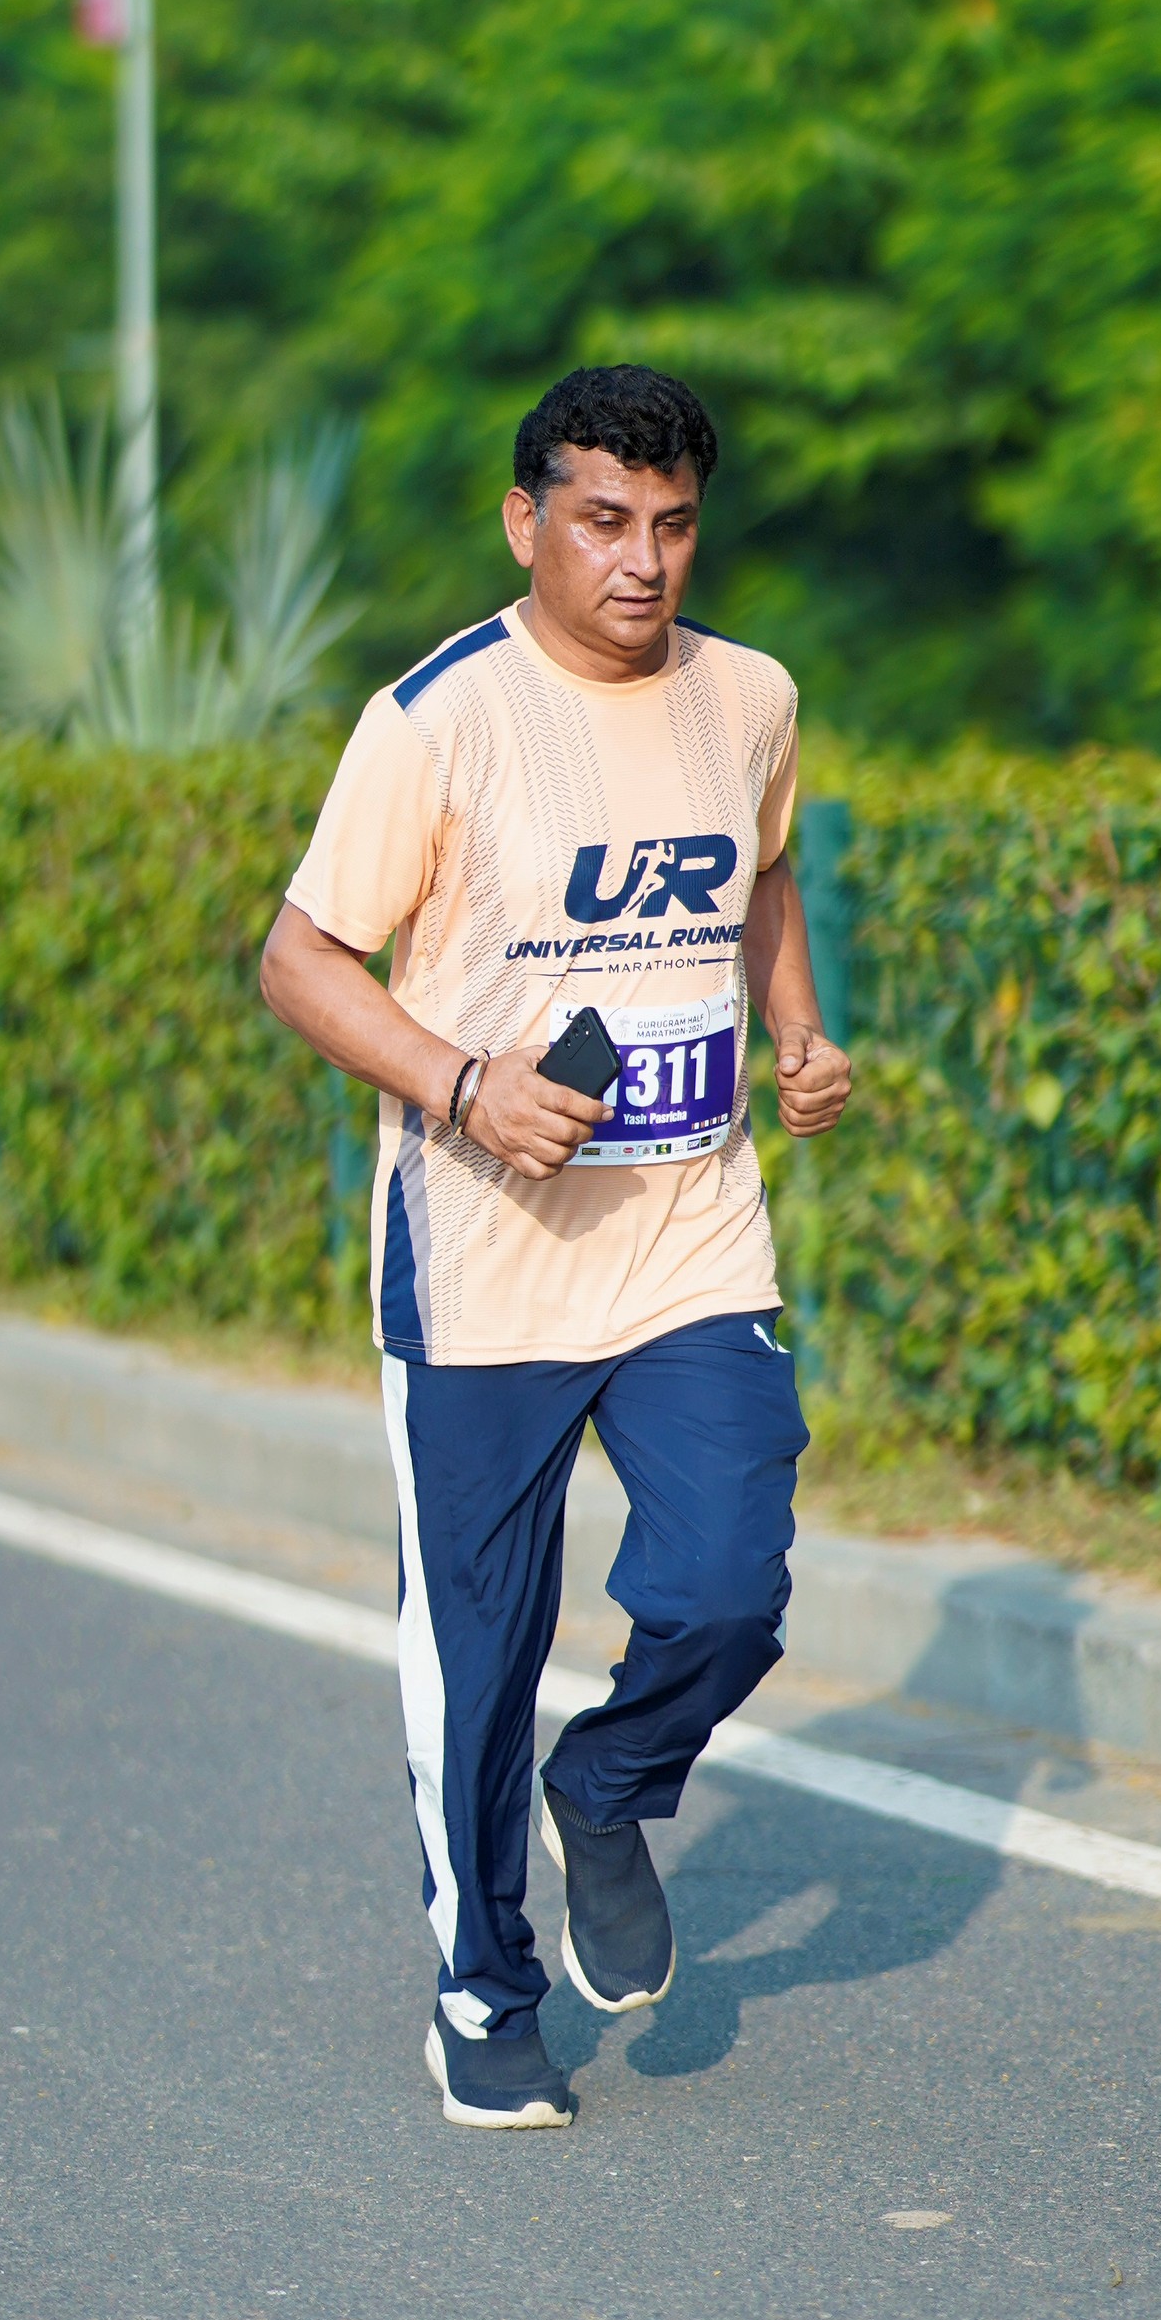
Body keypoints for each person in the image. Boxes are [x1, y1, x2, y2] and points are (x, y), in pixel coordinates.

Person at [260, 365, 852, 2129]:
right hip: (485, 1256)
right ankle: (480, 1983)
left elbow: (761, 876)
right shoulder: (436, 720)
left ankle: (607, 1782)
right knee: (480, 1652)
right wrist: (463, 1086)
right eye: (603, 520)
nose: (641, 559)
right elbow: (299, 961)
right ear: (527, 522)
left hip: (688, 1240)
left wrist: (797, 1030)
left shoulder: (749, 695)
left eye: (672, 524)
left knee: (727, 1580)